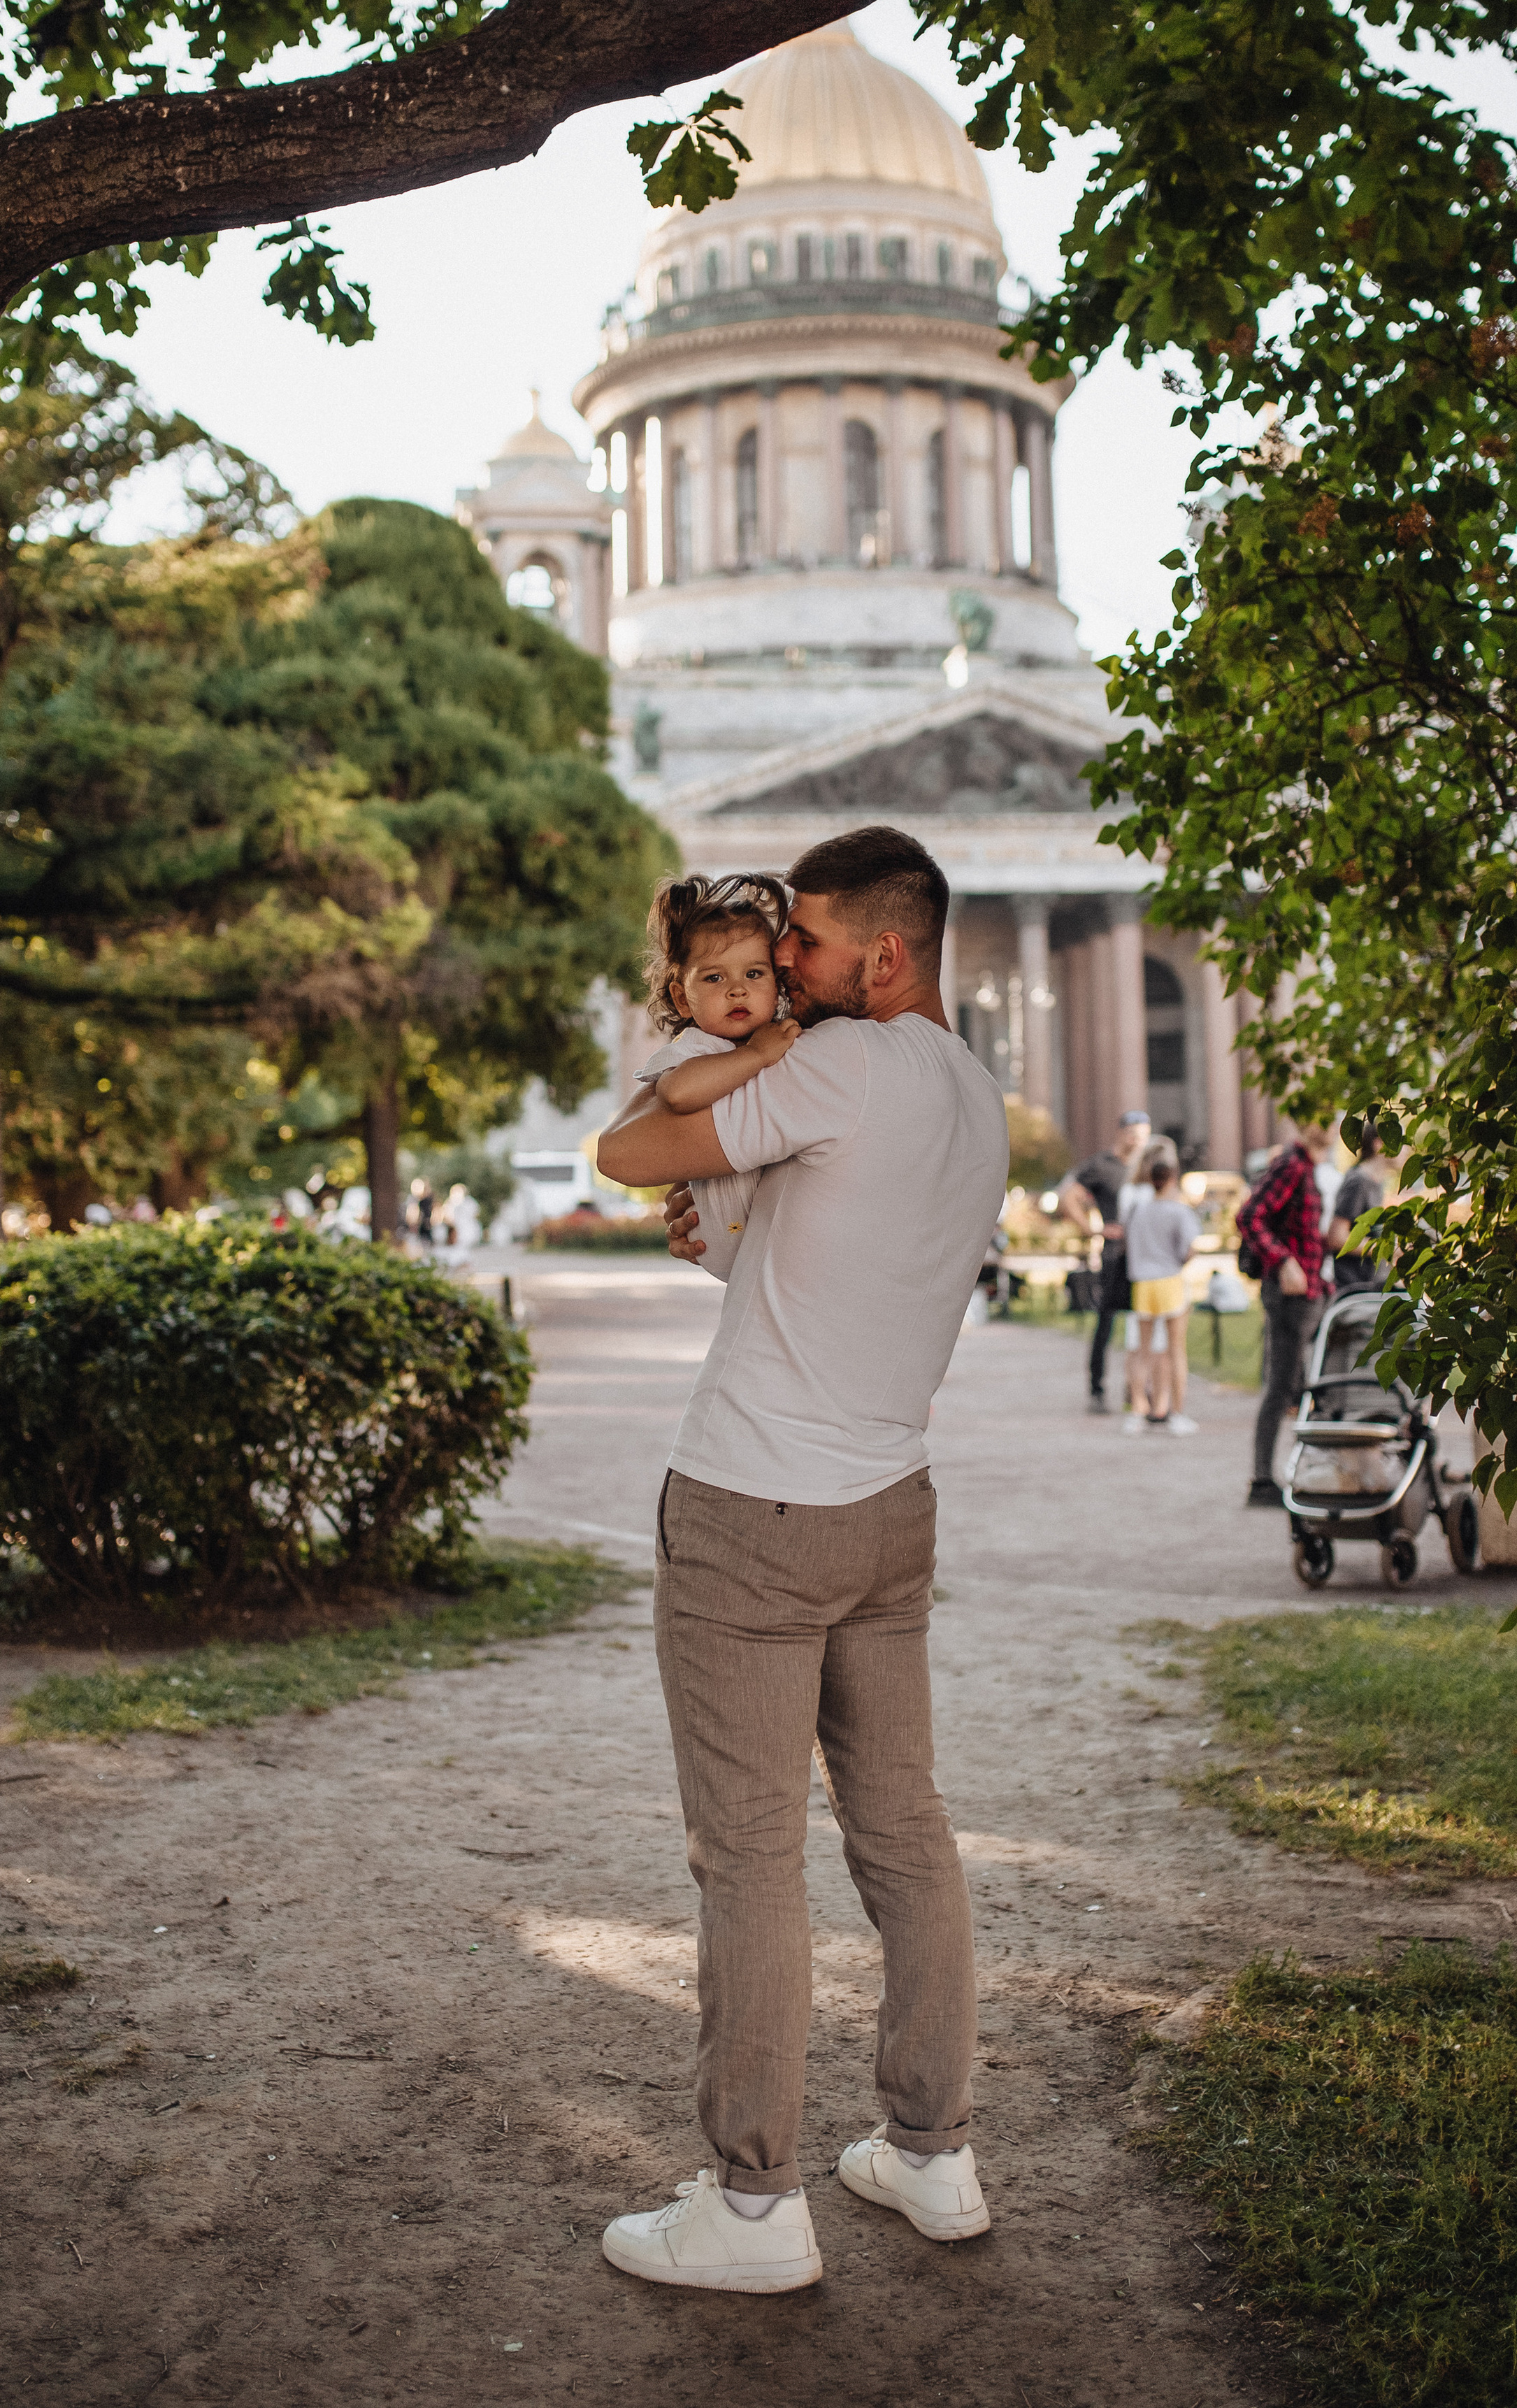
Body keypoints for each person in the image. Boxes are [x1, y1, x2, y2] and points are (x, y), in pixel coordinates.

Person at [594, 824, 1009, 2298]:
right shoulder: (971, 1093)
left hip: (751, 1510)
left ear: (882, 956)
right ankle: (932, 2150)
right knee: (904, 1829)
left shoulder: (838, 1061)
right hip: (888, 1507)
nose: (782, 969)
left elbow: (625, 1149)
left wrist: (710, 1074)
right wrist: (725, 1236)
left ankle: (754, 2205)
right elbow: (826, 1254)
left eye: (807, 947)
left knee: (752, 1853)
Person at [631, 872, 796, 1268]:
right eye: (714, 977)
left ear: (777, 985)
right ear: (682, 999)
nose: (737, 989)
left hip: (776, 1243)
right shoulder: (696, 1047)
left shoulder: (781, 1037)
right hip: (722, 1238)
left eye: (754, 974)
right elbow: (678, 1093)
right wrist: (756, 1056)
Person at [1239, 1119, 1335, 1506]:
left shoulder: (1308, 1167)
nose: (1333, 1125)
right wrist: (1283, 1261)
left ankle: (1316, 1474)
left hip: (1310, 1293)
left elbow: (1303, 1233)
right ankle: (1263, 1481)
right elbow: (1249, 1216)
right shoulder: (1292, 1165)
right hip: (1289, 1297)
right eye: (1324, 1117)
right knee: (1281, 1387)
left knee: (1306, 1386)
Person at [1057, 1112, 1151, 1412]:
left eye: (1144, 1135)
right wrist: (1092, 1230)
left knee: (1144, 1323)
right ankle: (1097, 1390)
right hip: (1114, 1257)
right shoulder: (1102, 1165)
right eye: (1133, 1134)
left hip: (1145, 1257)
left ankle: (1137, 1389)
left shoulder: (1147, 1165)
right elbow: (1068, 1197)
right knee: (1106, 1323)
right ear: (1121, 1133)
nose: (1138, 1140)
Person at [1124, 1154, 1200, 1437]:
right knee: (1175, 1350)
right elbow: (1190, 1249)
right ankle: (1177, 1413)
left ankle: (1137, 1411)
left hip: (1143, 1282)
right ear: (1172, 1179)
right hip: (1169, 1280)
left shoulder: (1138, 1211)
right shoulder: (1179, 1211)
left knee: (1142, 1351)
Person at [1328, 1125, 1390, 1294]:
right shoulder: (1359, 1182)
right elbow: (1336, 1237)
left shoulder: (1377, 1182)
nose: (1407, 1148)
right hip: (1356, 1290)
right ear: (1378, 1144)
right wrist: (1385, 1248)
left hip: (1373, 1288)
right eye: (1399, 1141)